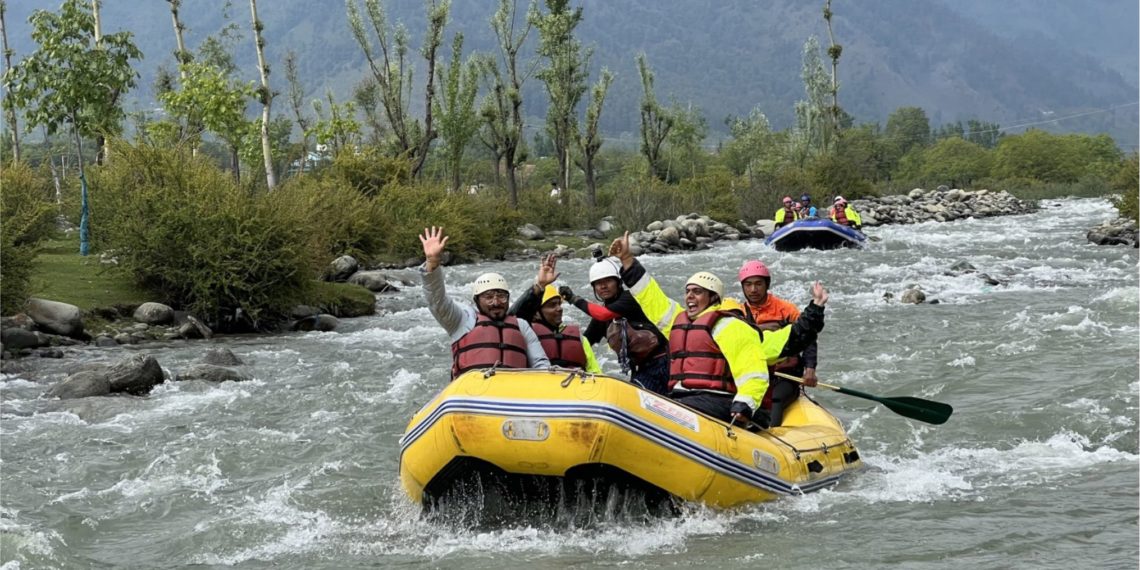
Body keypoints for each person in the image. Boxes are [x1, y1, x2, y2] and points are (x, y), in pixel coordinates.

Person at [609, 232, 828, 426]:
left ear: (713, 298)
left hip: (718, 401)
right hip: (681, 397)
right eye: (688, 291)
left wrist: (745, 403)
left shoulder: (730, 327)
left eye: (697, 292)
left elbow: (757, 367)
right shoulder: (678, 321)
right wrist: (627, 260)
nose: (690, 296)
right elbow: (651, 297)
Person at [418, 226, 550, 378]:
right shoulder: (462, 320)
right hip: (473, 390)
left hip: (512, 390)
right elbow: (437, 300)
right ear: (476, 300)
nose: (496, 302)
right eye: (488, 297)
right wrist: (432, 262)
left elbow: (541, 364)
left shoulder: (521, 326)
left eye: (501, 296)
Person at [561, 253, 671, 395]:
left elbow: (603, 314)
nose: (603, 286)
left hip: (662, 362)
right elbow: (585, 343)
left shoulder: (630, 299)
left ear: (618, 283)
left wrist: (574, 299)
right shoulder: (600, 318)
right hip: (640, 368)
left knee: (635, 398)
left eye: (608, 281)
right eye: (598, 283)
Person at [737, 260, 820, 427]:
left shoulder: (786, 309)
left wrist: (810, 369)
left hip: (784, 375)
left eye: (758, 284)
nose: (753, 289)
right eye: (748, 285)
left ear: (766, 285)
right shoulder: (738, 312)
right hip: (753, 373)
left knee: (775, 397)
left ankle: (771, 432)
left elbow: (807, 337)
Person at [508, 255, 601, 373]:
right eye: (552, 305)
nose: (559, 309)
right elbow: (511, 318)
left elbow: (596, 374)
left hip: (574, 383)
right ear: (536, 313)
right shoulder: (526, 333)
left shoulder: (580, 338)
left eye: (559, 304)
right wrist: (539, 286)